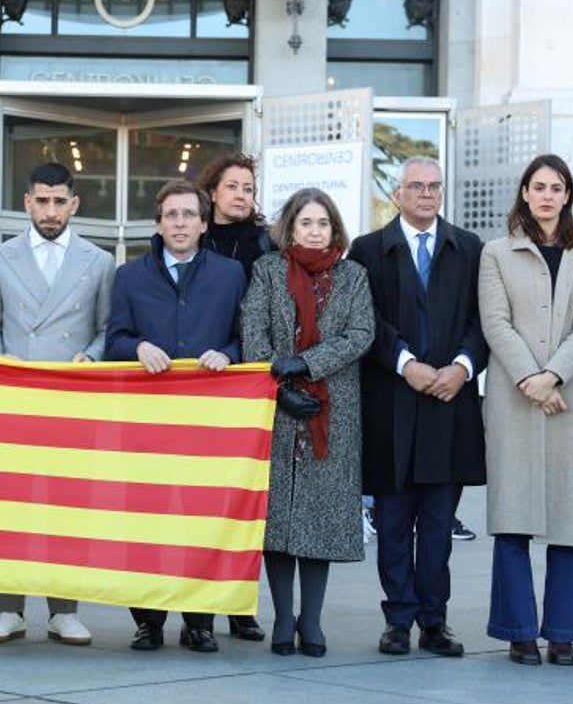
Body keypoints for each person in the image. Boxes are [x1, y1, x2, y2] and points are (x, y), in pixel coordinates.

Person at [347, 156, 487, 659]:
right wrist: (405, 363)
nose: (426, 194)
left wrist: (463, 366)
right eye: (416, 186)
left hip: (450, 403)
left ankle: (434, 620)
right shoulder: (366, 251)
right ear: (398, 194)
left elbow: (483, 318)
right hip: (392, 404)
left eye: (434, 186)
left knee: (436, 528)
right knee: (391, 523)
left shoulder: (469, 248)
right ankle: (398, 619)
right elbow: (365, 322)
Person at [0, 161, 113, 646]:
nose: (50, 211)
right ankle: (6, 608)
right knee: (8, 502)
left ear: (74, 204)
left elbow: (105, 328)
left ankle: (64, 610)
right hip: (13, 395)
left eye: (60, 201)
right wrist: (0, 360)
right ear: (27, 202)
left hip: (71, 397)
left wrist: (90, 356)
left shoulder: (99, 261)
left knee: (66, 503)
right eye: (41, 200)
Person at [105, 179, 245, 654]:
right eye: (171, 215)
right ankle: (148, 621)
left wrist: (228, 354)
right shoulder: (129, 277)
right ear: (158, 224)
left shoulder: (230, 275)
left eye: (189, 215)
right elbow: (113, 342)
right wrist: (137, 346)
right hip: (147, 420)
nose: (180, 223)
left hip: (209, 421)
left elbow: (246, 339)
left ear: (205, 224)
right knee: (146, 523)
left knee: (202, 521)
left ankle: (199, 621)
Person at [478, 155, 573, 667]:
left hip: (571, 399)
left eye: (557, 187)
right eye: (538, 187)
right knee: (513, 516)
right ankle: (518, 630)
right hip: (514, 396)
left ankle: (564, 631)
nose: (548, 195)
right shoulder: (496, 254)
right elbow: (495, 321)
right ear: (524, 193)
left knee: (567, 520)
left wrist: (552, 376)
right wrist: (531, 378)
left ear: (568, 195)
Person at [240, 188, 373, 657]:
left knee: (318, 520)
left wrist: (307, 364)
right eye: (305, 223)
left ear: (334, 229)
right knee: (279, 521)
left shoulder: (353, 276)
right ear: (290, 228)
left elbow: (361, 333)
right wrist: (280, 385)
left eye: (322, 223)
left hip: (332, 411)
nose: (314, 231)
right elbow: (252, 330)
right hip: (276, 408)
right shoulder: (268, 271)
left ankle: (312, 622)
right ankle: (281, 619)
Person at [196, 151, 272, 641]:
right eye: (233, 187)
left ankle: (240, 606)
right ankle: (200, 603)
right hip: (196, 381)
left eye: (248, 188)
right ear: (213, 193)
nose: (242, 195)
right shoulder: (192, 236)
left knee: (242, 504)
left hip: (244, 380)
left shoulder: (267, 246)